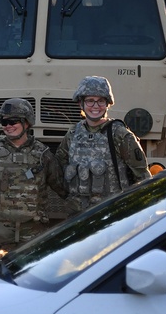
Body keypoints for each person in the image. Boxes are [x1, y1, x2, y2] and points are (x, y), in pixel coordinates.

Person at [0, 98, 67, 252]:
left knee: (30, 274)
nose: (8, 126)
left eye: (13, 121)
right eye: (4, 122)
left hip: (33, 231)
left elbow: (62, 188)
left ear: (27, 122)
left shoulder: (42, 154)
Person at [56, 75, 150, 213]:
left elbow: (141, 175)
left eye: (101, 101)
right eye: (90, 101)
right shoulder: (73, 134)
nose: (95, 106)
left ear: (107, 104)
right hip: (78, 216)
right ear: (80, 104)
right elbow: (58, 166)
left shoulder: (120, 135)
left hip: (111, 215)